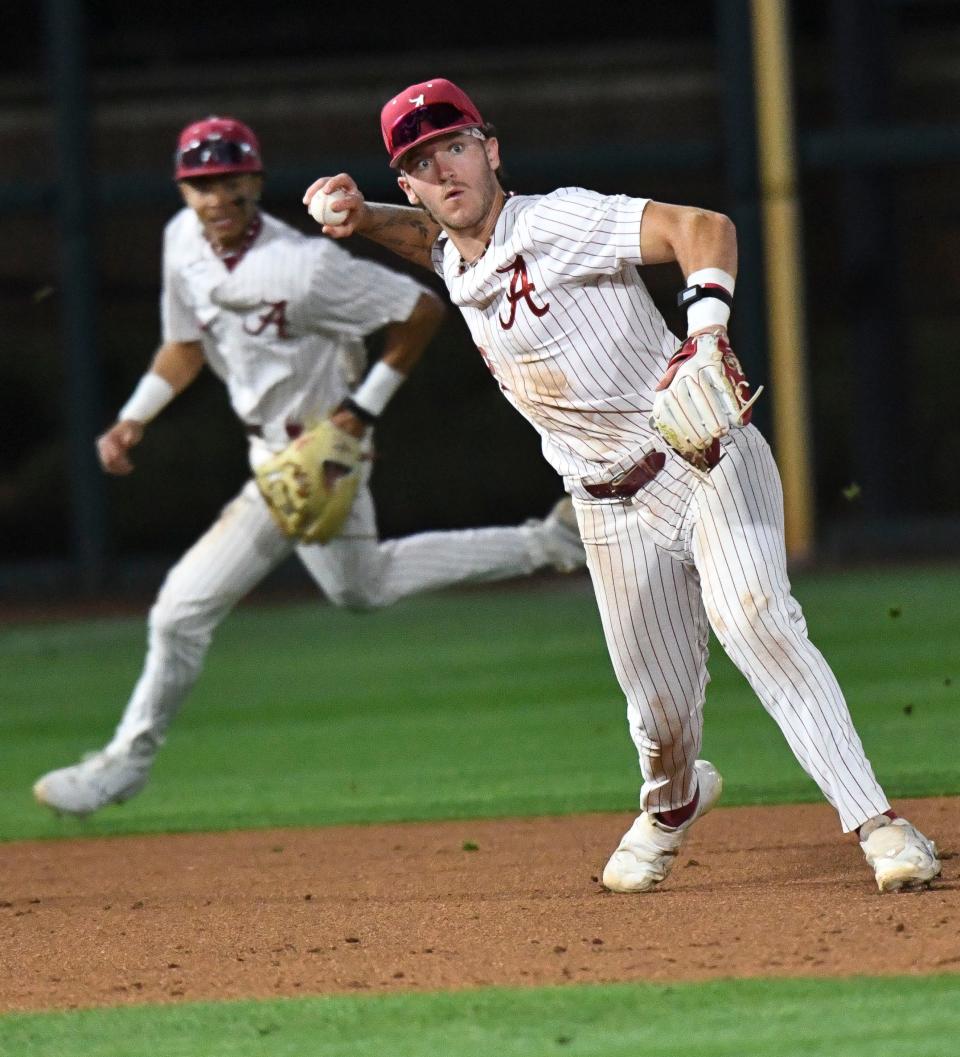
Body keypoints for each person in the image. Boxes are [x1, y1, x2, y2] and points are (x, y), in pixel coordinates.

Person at [302, 78, 941, 893]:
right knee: (659, 712)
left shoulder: (557, 220)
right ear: (409, 184)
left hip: (701, 458)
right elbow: (434, 241)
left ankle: (879, 824)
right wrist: (363, 222)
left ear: (491, 149)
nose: (446, 170)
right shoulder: (452, 252)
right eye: (423, 162)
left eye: (456, 146)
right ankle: (673, 805)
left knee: (757, 622)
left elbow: (700, 227)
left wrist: (705, 334)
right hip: (604, 508)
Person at [33, 115, 585, 817]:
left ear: (255, 181)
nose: (218, 197)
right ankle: (554, 541)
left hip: (323, 457)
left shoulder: (306, 265)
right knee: (362, 585)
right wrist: (135, 416)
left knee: (179, 611)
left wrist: (359, 413)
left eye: (231, 180)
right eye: (202, 184)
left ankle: (124, 764)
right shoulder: (183, 244)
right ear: (183, 188)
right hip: (271, 456)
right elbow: (184, 346)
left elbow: (418, 309)